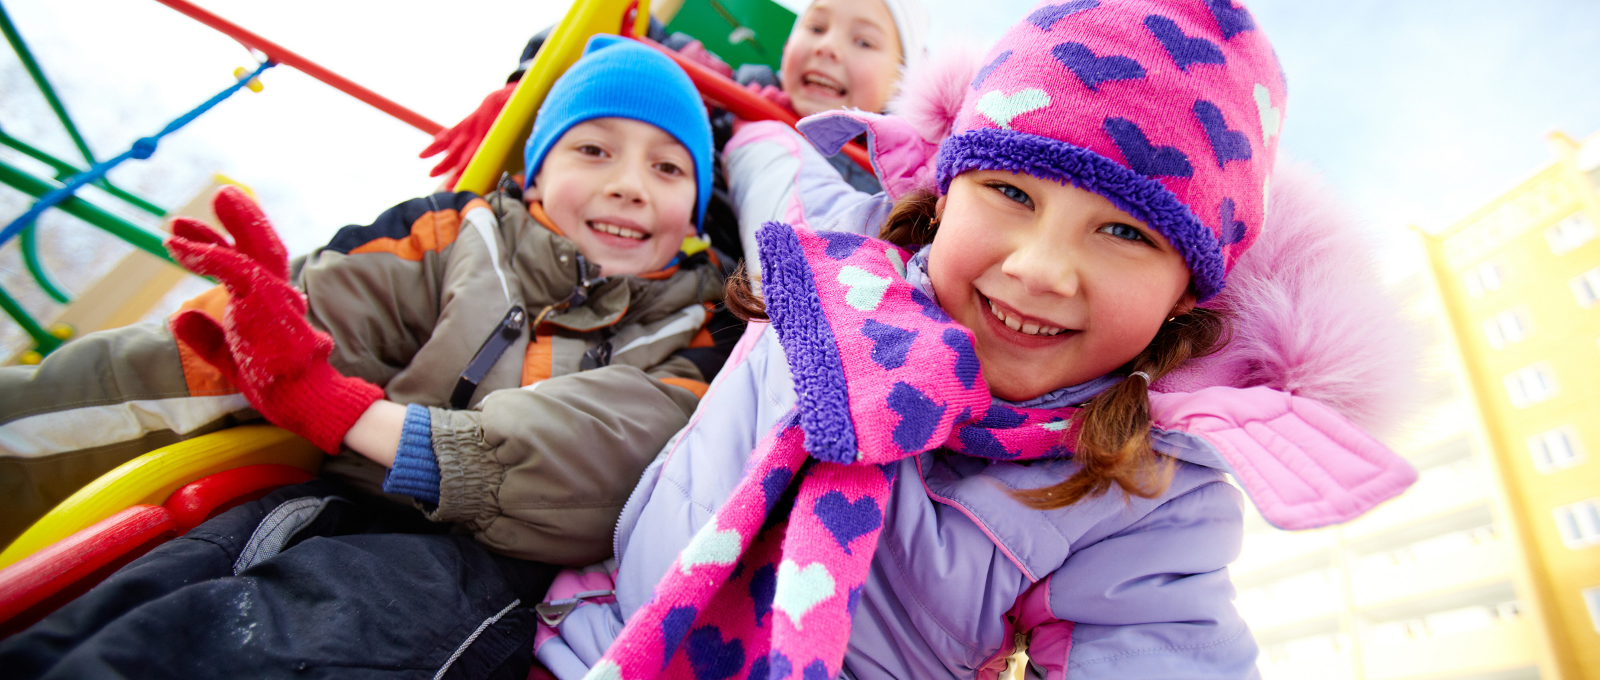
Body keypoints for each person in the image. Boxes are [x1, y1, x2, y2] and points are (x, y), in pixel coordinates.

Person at [527, 1, 1423, 678]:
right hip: (590, 645)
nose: (1040, 269)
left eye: (1124, 234)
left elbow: (1164, 644)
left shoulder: (1145, 496)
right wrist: (723, 113)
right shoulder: (846, 260)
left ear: (1187, 297)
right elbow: (776, 164)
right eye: (1012, 194)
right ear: (946, 192)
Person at [1, 36, 738, 678]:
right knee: (151, 594)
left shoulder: (694, 330)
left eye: (670, 169)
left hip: (486, 566)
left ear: (699, 209)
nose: (629, 185)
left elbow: (614, 454)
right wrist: (277, 347)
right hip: (333, 495)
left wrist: (341, 409)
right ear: (536, 171)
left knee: (305, 634)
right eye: (594, 149)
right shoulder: (460, 235)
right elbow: (321, 329)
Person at [423, 0, 930, 262]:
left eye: (863, 41)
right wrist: (532, 84)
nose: (829, 47)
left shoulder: (889, 181)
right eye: (815, 27)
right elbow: (620, 29)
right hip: (669, 254)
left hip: (749, 317)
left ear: (902, 79)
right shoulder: (733, 93)